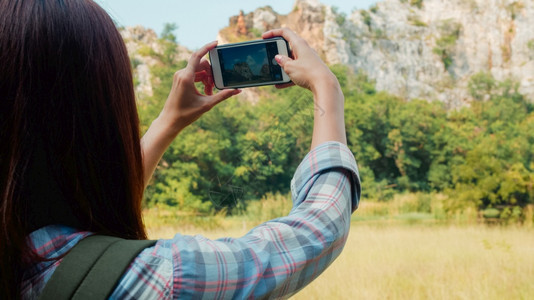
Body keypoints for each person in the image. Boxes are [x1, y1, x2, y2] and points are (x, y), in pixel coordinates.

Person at [0, 0, 360, 299]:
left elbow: (83, 205)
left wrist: (166, 123)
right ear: (99, 122)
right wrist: (327, 88)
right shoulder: (160, 280)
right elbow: (318, 230)